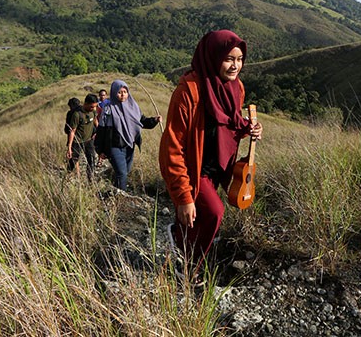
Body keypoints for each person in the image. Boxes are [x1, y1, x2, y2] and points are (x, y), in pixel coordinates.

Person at [159, 29, 263, 271]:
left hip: (219, 166)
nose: (235, 66)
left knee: (198, 217)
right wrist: (183, 196)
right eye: (229, 59)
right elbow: (172, 146)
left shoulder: (236, 88)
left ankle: (181, 244)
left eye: (239, 59)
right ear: (213, 57)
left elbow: (230, 122)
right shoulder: (189, 91)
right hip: (194, 167)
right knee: (215, 212)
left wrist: (251, 128)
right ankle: (191, 267)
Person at [95, 80, 161, 191]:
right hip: (114, 146)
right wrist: (100, 150)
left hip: (129, 146)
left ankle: (113, 194)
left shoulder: (133, 107)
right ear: (114, 92)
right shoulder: (108, 108)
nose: (122, 94)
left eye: (125, 92)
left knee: (124, 171)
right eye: (119, 92)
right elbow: (101, 130)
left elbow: (142, 121)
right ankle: (121, 198)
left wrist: (154, 120)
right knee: (122, 173)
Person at [66, 94, 99, 182]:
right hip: (77, 142)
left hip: (89, 140)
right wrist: (69, 147)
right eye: (92, 106)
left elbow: (95, 120)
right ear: (86, 103)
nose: (93, 108)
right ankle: (67, 175)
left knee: (91, 160)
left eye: (95, 106)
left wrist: (97, 131)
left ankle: (90, 180)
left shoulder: (93, 112)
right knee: (73, 161)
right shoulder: (77, 115)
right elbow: (72, 131)